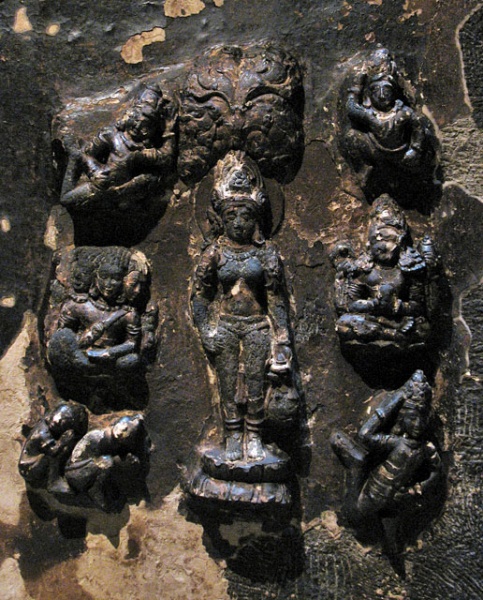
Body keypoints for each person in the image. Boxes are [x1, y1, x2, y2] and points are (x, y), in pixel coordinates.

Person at [191, 151, 293, 462]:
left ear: (256, 219)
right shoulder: (214, 253)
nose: (239, 223)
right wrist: (205, 330)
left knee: (255, 382)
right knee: (227, 384)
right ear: (221, 219)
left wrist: (282, 338)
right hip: (225, 326)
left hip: (257, 326)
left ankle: (255, 436)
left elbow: (275, 298)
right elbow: (200, 296)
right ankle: (233, 434)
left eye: (246, 217)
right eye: (232, 217)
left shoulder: (265, 253)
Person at [332, 194, 430, 348]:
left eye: (388, 239)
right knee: (344, 324)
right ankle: (391, 335)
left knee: (422, 327)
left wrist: (397, 306)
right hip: (373, 320)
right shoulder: (364, 269)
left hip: (400, 319)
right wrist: (373, 304)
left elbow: (418, 305)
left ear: (400, 241)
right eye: (376, 239)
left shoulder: (409, 268)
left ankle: (391, 334)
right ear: (369, 243)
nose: (383, 246)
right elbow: (351, 304)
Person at [61, 84, 176, 210]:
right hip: (99, 180)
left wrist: (168, 130)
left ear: (153, 130)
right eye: (136, 121)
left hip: (120, 191)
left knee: (149, 179)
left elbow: (166, 158)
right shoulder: (111, 135)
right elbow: (89, 153)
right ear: (131, 116)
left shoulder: (144, 151)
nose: (137, 128)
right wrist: (93, 170)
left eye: (145, 127)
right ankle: (72, 154)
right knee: (66, 199)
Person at [343, 47, 434, 189]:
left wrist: (415, 150)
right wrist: (358, 82)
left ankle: (422, 175)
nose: (381, 95)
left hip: (401, 154)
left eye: (386, 90)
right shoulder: (369, 113)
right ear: (369, 94)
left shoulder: (402, 112)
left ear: (394, 93)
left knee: (426, 135)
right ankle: (364, 171)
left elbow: (417, 126)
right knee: (351, 136)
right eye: (376, 91)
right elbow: (351, 107)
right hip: (375, 152)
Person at [48, 248, 142, 377]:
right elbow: (63, 335)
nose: (108, 284)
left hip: (110, 360)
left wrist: (109, 352)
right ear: (95, 277)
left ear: (124, 281)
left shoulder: (128, 313)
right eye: (103, 277)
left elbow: (131, 343)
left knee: (132, 360)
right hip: (81, 354)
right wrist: (84, 341)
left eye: (115, 279)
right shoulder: (78, 305)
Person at [64, 414, 151, 511]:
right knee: (107, 462)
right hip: (76, 472)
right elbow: (76, 458)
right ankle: (95, 493)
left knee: (117, 462)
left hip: (91, 469)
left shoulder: (116, 440)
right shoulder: (98, 438)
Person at [18, 403, 88, 493]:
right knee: (55, 453)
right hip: (29, 468)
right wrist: (63, 442)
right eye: (58, 424)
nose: (56, 423)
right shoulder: (43, 434)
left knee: (66, 445)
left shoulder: (49, 423)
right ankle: (53, 482)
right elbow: (53, 451)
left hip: (37, 461)